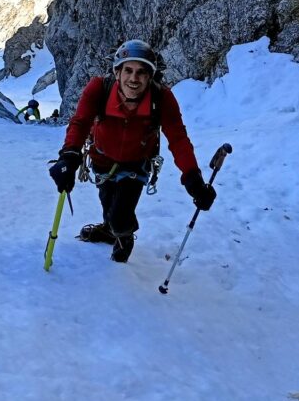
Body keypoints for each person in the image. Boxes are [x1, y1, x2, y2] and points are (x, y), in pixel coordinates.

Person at [48, 39, 217, 262]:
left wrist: (192, 178)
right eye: (128, 70)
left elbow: (177, 138)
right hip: (101, 159)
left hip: (136, 163)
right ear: (117, 73)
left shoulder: (162, 98)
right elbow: (80, 122)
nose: (134, 79)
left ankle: (123, 236)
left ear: (150, 77)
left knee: (121, 214)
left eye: (142, 72)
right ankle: (110, 230)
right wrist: (69, 155)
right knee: (108, 202)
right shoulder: (99, 88)